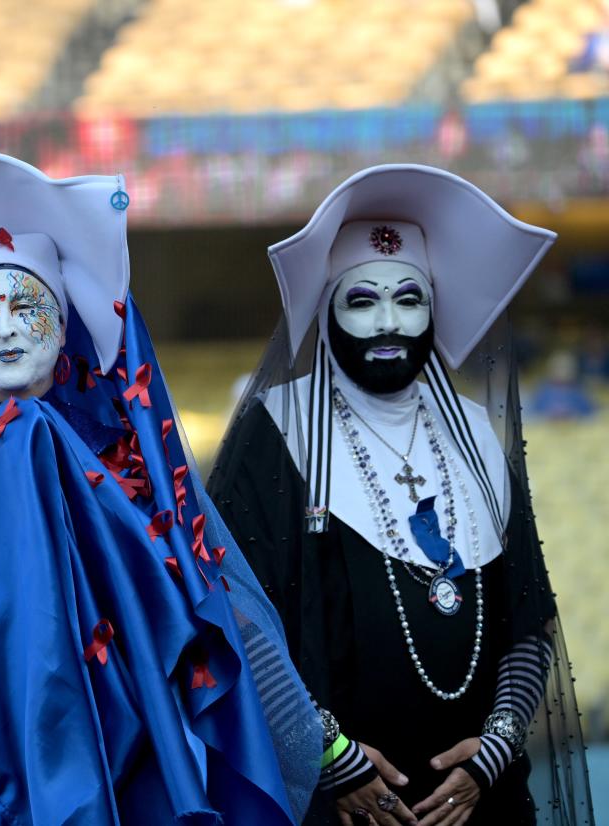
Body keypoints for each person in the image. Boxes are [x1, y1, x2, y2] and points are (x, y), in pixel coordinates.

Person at [0, 153, 322, 824]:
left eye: (29, 305)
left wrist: (320, 743)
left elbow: (209, 612)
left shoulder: (128, 468)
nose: (7, 327)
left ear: (66, 318)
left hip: (121, 769)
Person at [206, 165, 592, 826]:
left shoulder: (473, 435)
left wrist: (494, 751)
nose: (389, 321)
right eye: (362, 301)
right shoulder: (278, 430)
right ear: (327, 309)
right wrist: (328, 754)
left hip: (478, 804)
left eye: (409, 299)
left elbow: (528, 620)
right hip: (335, 805)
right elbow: (236, 618)